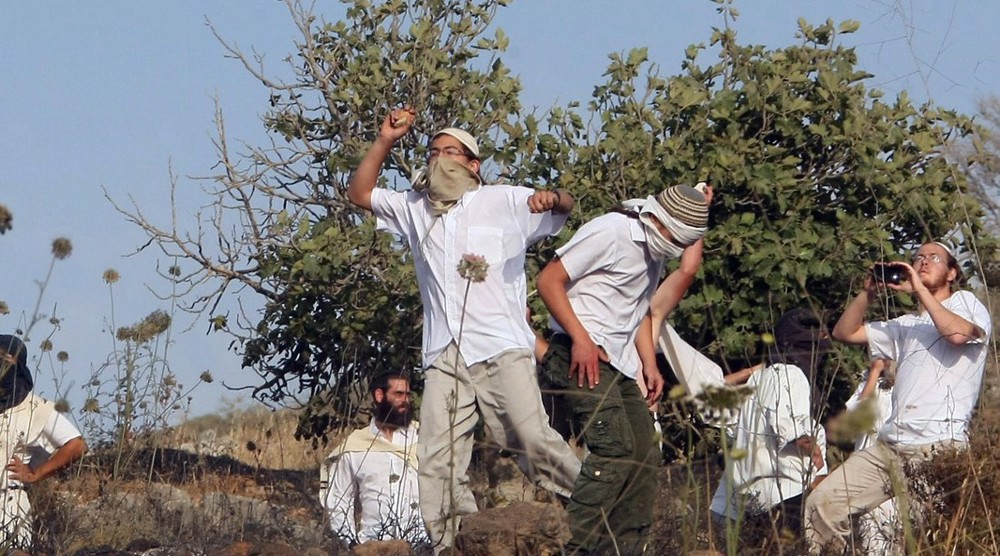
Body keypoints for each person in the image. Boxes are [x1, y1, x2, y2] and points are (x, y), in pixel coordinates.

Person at [346, 108, 582, 553]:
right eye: (433, 152)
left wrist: (552, 198)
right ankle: (455, 544)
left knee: (529, 436)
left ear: (473, 164)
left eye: (450, 153)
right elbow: (360, 193)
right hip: (444, 352)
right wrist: (385, 140)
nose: (439, 160)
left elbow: (563, 205)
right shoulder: (415, 208)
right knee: (437, 457)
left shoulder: (502, 200)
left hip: (500, 345)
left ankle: (597, 509)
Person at [537, 184, 711, 554]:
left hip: (617, 363)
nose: (673, 245)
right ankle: (575, 545)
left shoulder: (655, 250)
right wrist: (581, 339)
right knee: (614, 447)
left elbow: (640, 312)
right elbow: (549, 281)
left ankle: (623, 549)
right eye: (673, 237)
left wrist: (649, 363)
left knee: (645, 457)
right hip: (576, 351)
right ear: (657, 220)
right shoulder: (611, 231)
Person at [804, 241, 991, 554]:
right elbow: (845, 333)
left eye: (934, 258)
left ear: (952, 273)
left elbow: (957, 335)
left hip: (939, 448)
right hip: (890, 447)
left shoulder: (966, 303)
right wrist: (869, 293)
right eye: (917, 257)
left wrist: (919, 290)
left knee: (911, 539)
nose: (923, 262)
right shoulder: (906, 325)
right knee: (821, 504)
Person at [708, 308, 829, 534]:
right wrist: (813, 451)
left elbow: (714, 395)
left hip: (751, 499)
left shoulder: (760, 378)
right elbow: (789, 427)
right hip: (785, 493)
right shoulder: (792, 375)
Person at [0, 334, 87, 550]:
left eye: (4, 358)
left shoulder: (35, 408)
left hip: (7, 506)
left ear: (17, 363)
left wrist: (34, 474)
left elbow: (76, 445)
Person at [321, 372, 426, 546]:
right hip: (374, 545)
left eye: (408, 395)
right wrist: (351, 544)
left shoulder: (423, 437)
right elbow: (339, 501)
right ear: (379, 395)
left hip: (421, 544)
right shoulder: (355, 446)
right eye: (399, 394)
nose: (405, 401)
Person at [841, 358, 898, 554]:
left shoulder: (911, 387)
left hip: (897, 468)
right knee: (870, 536)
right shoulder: (872, 385)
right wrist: (874, 374)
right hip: (867, 469)